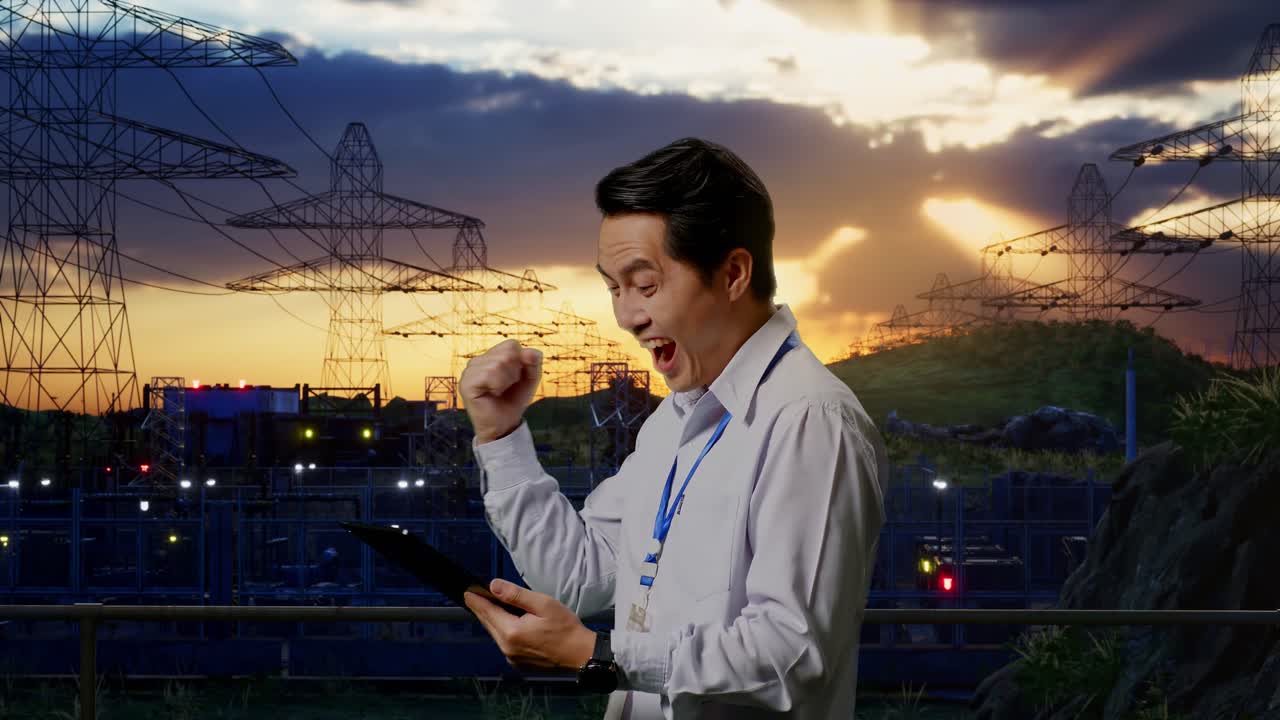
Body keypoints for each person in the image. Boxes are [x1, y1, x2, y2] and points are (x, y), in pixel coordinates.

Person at [460, 137, 888, 719]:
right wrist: (502, 436)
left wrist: (601, 655)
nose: (627, 316)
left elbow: (793, 655)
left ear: (734, 273)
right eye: (613, 287)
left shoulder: (809, 419)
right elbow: (582, 577)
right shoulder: (674, 419)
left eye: (646, 283)